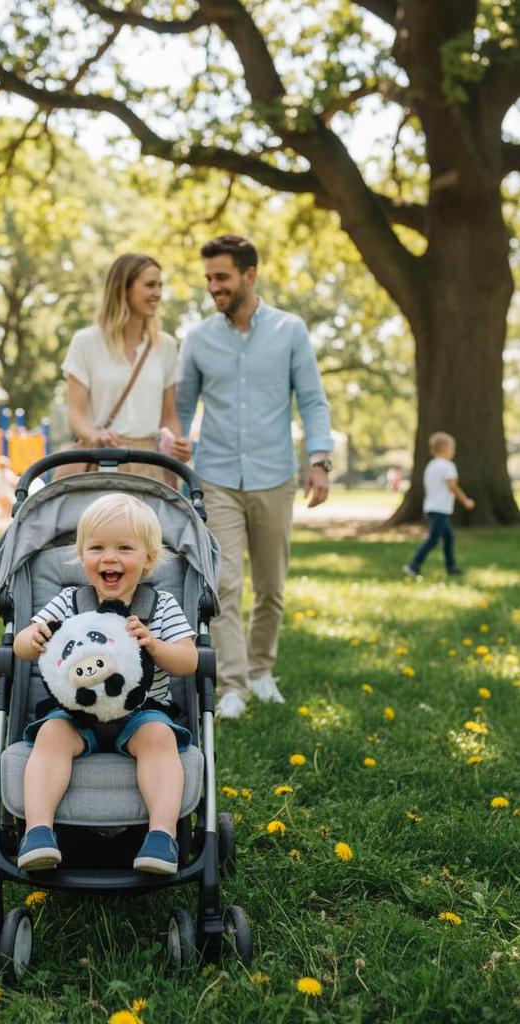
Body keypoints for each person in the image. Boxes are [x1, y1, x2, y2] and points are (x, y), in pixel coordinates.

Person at [176, 234, 334, 719]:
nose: (213, 287)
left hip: (274, 476)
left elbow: (311, 398)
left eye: (221, 277)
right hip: (217, 476)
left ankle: (262, 671)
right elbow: (181, 408)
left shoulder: (290, 331)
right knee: (224, 584)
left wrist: (320, 458)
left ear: (249, 275)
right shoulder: (199, 339)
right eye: (208, 279)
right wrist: (174, 458)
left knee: (271, 586)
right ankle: (233, 684)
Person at [13, 492, 198, 875]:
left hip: (143, 712)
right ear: (82, 556)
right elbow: (22, 643)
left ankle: (162, 836)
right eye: (96, 547)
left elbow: (189, 660)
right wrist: (31, 641)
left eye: (124, 548)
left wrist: (154, 644)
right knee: (50, 736)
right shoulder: (69, 603)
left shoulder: (161, 607)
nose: (109, 558)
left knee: (160, 739)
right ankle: (38, 832)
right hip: (75, 712)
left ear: (148, 560)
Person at [63, 253, 193, 483]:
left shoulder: (165, 346)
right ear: (123, 289)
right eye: (150, 285)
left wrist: (177, 443)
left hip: (150, 463)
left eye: (160, 286)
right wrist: (95, 435)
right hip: (101, 459)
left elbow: (169, 416)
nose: (158, 294)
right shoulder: (86, 342)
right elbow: (75, 413)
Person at [402, 432, 475, 578]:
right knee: (433, 540)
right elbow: (452, 486)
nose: (454, 451)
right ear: (446, 448)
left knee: (448, 538)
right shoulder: (448, 466)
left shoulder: (431, 466)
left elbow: (428, 488)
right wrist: (465, 500)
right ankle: (413, 565)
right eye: (452, 448)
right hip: (441, 508)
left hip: (432, 507)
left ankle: (451, 567)